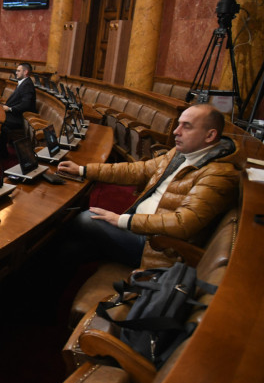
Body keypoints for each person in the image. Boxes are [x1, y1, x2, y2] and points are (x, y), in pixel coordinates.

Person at [56, 103, 244, 270]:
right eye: (178, 124)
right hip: (138, 228)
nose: (176, 131)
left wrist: (122, 220)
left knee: (86, 219)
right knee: (71, 250)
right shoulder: (181, 153)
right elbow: (137, 170)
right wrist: (83, 170)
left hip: (157, 247)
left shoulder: (219, 174)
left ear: (210, 135)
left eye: (186, 126)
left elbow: (184, 222)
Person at [0, 62, 36, 157]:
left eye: (18, 71)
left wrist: (10, 109)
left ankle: (2, 153)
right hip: (15, 115)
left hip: (19, 118)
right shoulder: (24, 83)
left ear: (25, 72)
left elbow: (26, 105)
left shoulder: (27, 85)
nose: (16, 73)